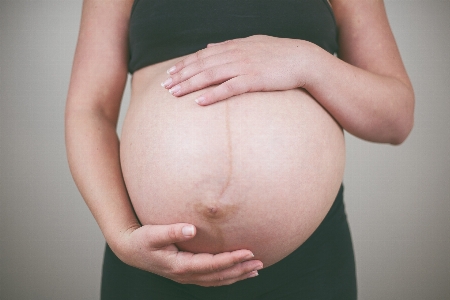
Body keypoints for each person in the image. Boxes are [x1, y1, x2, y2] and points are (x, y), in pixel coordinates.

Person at [65, 0, 414, 299]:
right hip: (151, 258)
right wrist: (122, 235)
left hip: (305, 263)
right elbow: (89, 109)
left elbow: (396, 117)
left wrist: (308, 62)